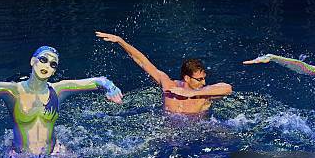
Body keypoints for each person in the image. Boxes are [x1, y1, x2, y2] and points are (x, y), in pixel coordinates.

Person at [96, 32, 232, 114]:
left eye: (203, 78)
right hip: (167, 134)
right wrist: (121, 41)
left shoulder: (204, 93)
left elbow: (227, 89)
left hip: (197, 135)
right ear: (186, 78)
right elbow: (142, 61)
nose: (203, 82)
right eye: (199, 79)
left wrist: (193, 93)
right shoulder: (169, 86)